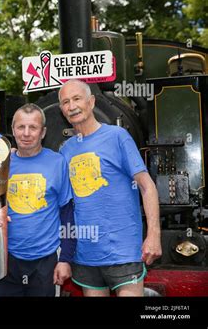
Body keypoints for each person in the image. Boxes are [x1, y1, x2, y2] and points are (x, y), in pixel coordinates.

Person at [58, 79, 162, 296]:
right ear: (61, 109)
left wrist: (154, 235)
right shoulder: (66, 150)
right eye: (66, 102)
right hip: (86, 255)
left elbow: (147, 186)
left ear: (91, 101)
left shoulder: (118, 136)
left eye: (77, 98)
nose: (72, 106)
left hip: (123, 251)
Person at [0, 103, 76, 296]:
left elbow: (67, 213)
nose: (26, 133)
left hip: (45, 261)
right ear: (13, 130)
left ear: (43, 132)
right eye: (21, 127)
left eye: (33, 127)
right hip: (7, 259)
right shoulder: (1, 163)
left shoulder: (57, 163)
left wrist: (65, 259)